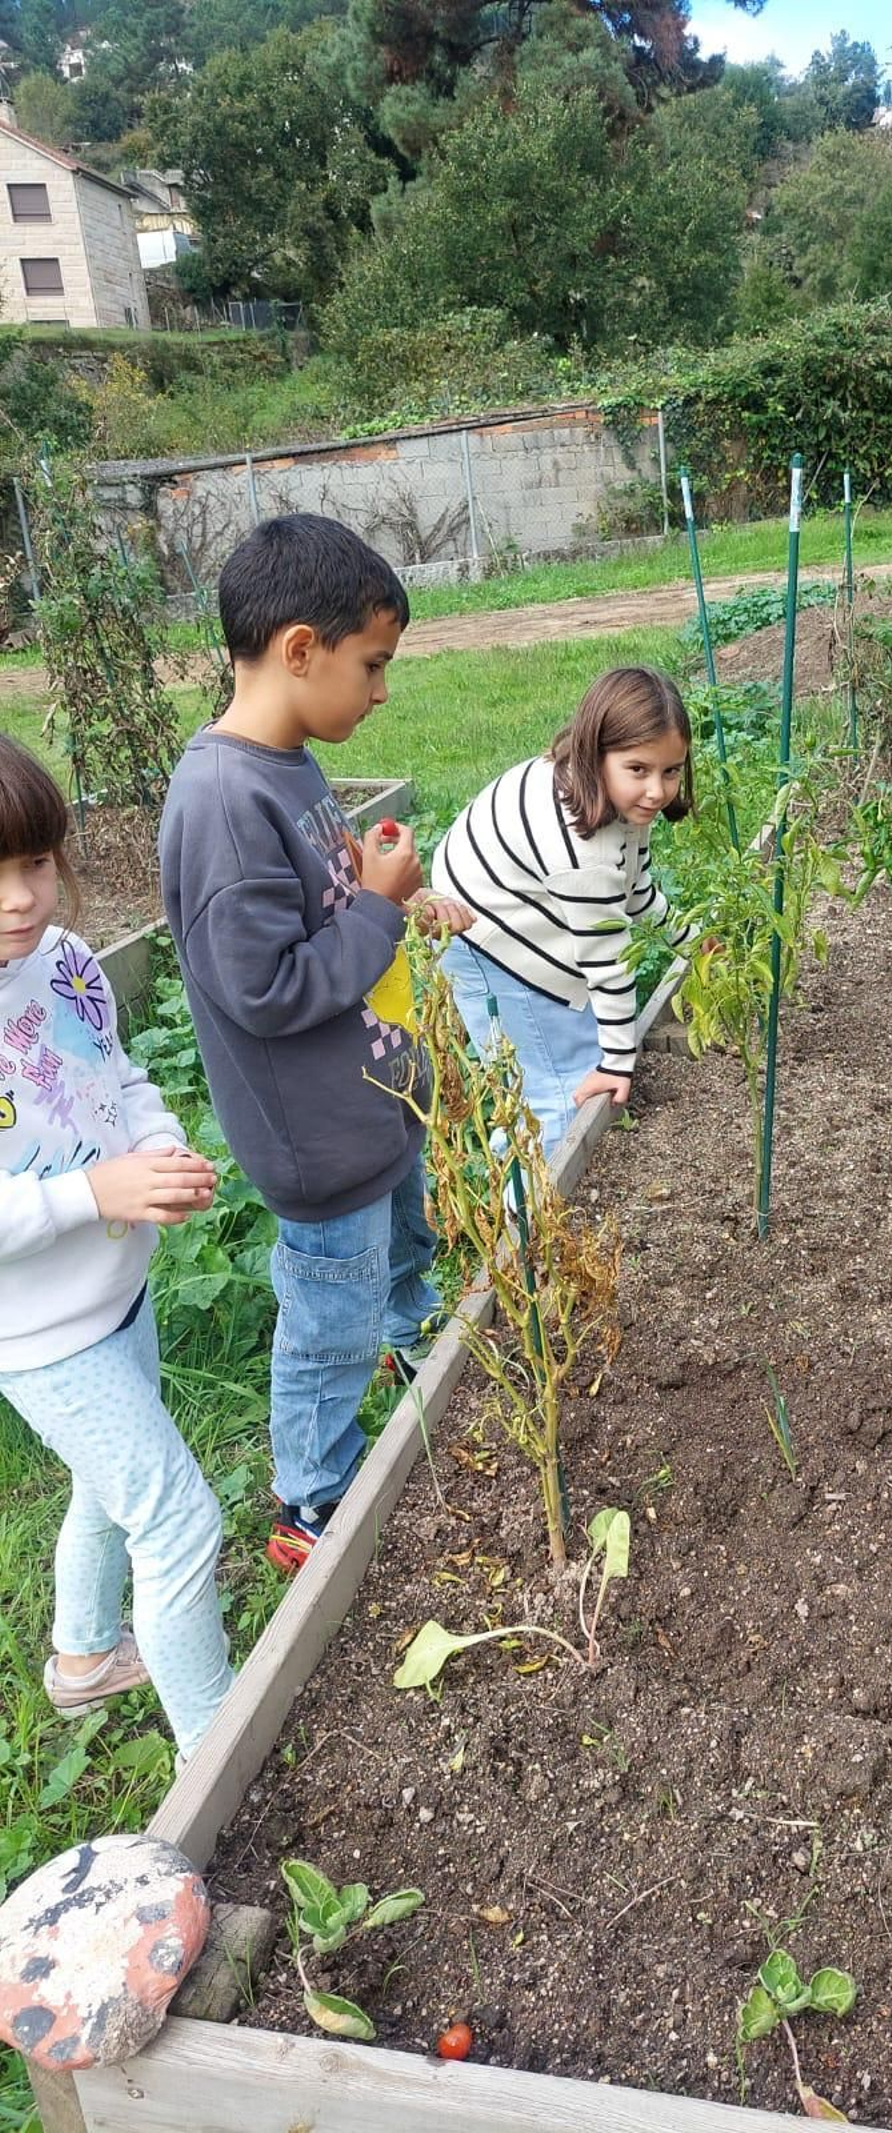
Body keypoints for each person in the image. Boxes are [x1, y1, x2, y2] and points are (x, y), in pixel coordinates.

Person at [159, 514, 471, 1575]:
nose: (381, 690)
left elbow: (324, 900)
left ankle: (415, 1362)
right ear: (301, 649)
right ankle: (312, 1502)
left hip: (371, 1100)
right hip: (314, 1133)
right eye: (372, 664)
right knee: (326, 1318)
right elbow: (262, 988)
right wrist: (376, 911)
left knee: (403, 1253)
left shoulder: (285, 765)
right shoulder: (220, 799)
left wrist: (393, 892)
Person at [0, 737, 232, 1763]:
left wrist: (157, 1146)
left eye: (36, 863)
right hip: (44, 1337)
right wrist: (93, 1189)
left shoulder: (68, 965)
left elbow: (117, 1074)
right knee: (178, 1521)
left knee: (111, 1486)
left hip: (118, 1289)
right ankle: (218, 1762)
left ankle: (86, 1658)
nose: (22, 898)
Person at [430, 666, 696, 1152]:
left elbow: (634, 892)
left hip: (517, 910)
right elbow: (607, 959)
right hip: (489, 940)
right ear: (596, 753)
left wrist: (692, 943)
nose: (657, 790)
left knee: (573, 1056)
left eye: (671, 771)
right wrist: (618, 1063)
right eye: (638, 769)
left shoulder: (615, 799)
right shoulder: (584, 847)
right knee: (559, 1089)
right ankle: (528, 1217)